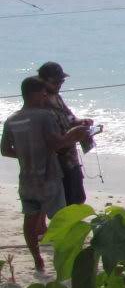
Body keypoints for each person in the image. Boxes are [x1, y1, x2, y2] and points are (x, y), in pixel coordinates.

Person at [2, 77, 88, 272]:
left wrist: (27, 154)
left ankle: (37, 259)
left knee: (30, 220)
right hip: (49, 178)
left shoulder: (12, 120)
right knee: (60, 221)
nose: (45, 97)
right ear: (34, 94)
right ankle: (63, 261)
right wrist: (75, 134)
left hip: (27, 179)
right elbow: (56, 143)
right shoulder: (44, 116)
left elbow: (5, 150)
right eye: (43, 94)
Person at [38, 62, 93, 206]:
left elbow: (70, 118)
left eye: (61, 81)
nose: (59, 84)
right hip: (56, 161)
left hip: (71, 158)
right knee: (65, 202)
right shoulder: (39, 102)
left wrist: (82, 122)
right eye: (55, 82)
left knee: (78, 198)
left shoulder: (57, 97)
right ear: (42, 81)